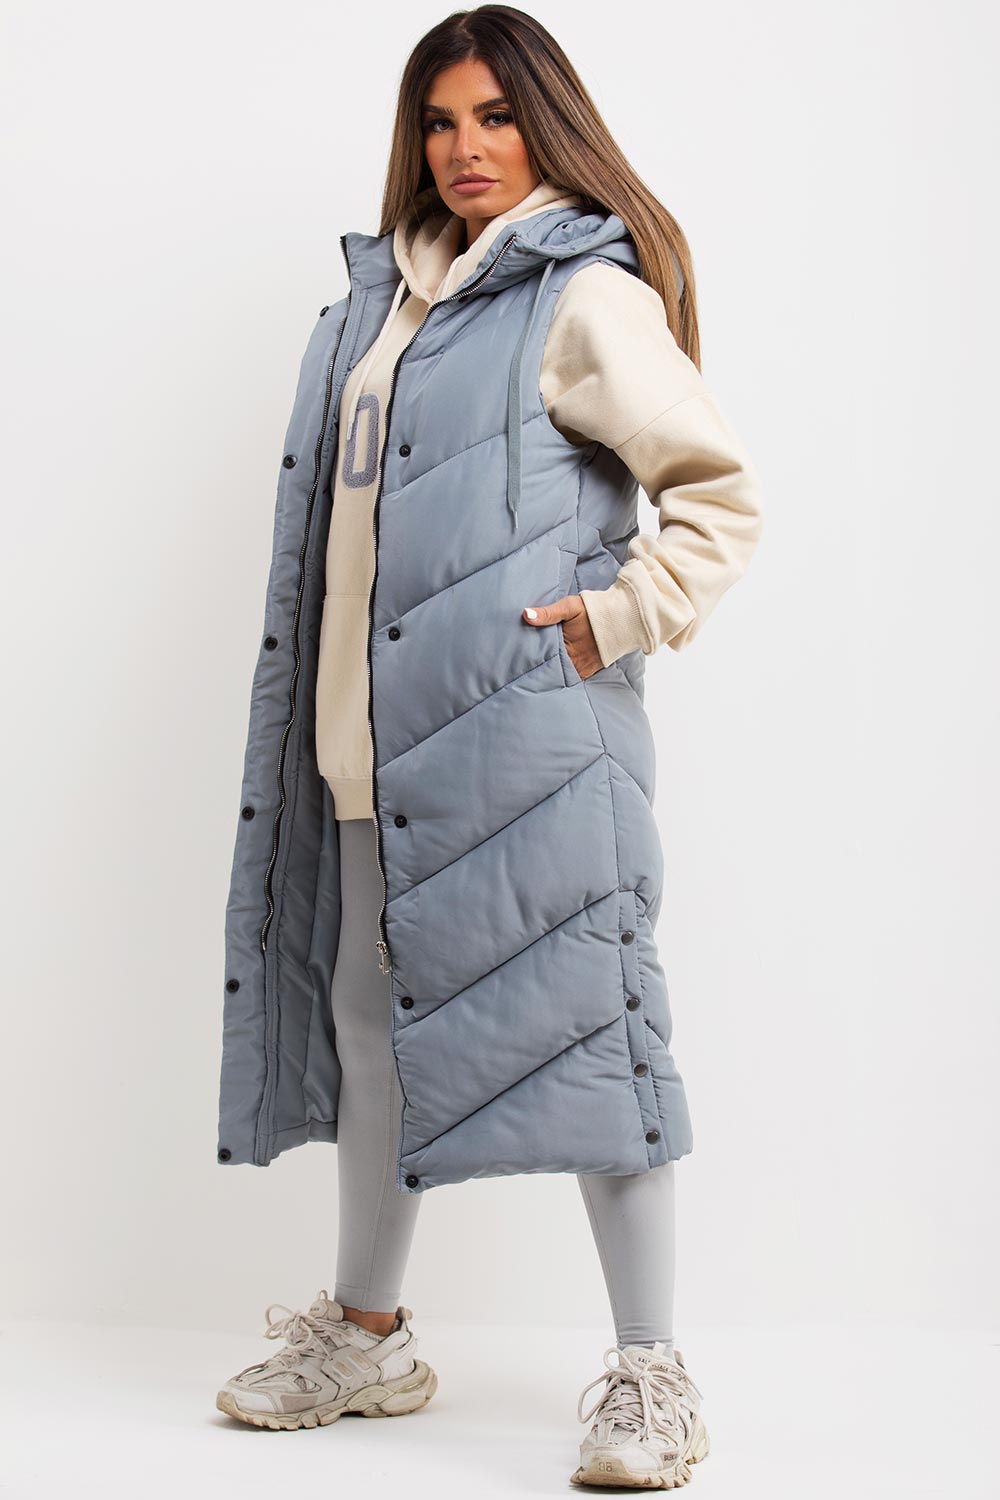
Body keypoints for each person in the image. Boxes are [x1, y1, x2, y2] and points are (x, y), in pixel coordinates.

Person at [215, 6, 763, 1489]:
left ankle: (650, 1371)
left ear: (548, 124)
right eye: (443, 120)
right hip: (367, 743)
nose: (467, 148)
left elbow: (719, 497)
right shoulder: (375, 303)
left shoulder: (582, 294)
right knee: (371, 1023)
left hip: (533, 746)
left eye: (498, 118)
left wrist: (616, 616)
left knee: (597, 1026)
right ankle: (369, 1332)